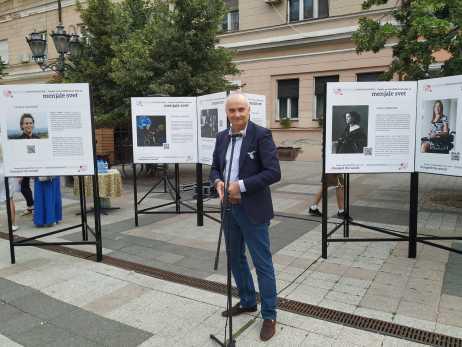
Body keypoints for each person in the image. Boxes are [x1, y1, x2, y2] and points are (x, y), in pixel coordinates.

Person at [210, 93, 281, 342]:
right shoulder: (221, 137)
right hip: (229, 209)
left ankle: (270, 315)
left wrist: (239, 185)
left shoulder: (261, 135)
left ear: (248, 110)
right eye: (232, 110)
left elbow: (273, 172)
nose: (237, 114)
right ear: (226, 113)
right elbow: (214, 168)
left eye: (241, 109)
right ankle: (249, 301)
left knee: (262, 263)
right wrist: (218, 182)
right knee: (236, 259)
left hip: (253, 209)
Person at [18, 114, 37, 215]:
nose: (28, 125)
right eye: (26, 123)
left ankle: (32, 207)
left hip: (37, 166)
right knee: (24, 187)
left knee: (39, 188)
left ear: (33, 124)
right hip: (24, 167)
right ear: (22, 125)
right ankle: (31, 206)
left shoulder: (37, 138)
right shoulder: (19, 140)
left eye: (30, 123)